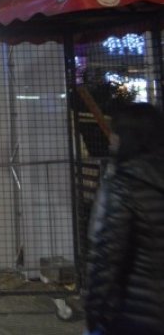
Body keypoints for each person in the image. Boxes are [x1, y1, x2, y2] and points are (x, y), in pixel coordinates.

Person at [84, 103, 164, 335]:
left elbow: (106, 258)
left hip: (133, 313)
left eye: (115, 132)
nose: (111, 139)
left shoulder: (121, 187)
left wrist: (93, 314)